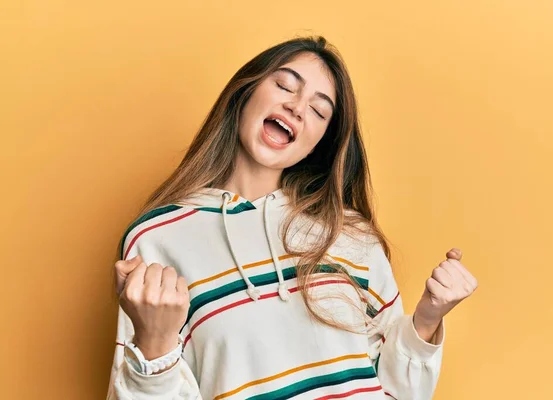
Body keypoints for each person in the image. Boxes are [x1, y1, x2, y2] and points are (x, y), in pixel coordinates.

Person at [107, 35, 478, 400]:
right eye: (285, 86)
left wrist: (427, 320)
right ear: (244, 92)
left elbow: (401, 394)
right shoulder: (157, 238)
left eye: (319, 111)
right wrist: (154, 343)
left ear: (320, 141)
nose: (297, 108)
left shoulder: (349, 233)